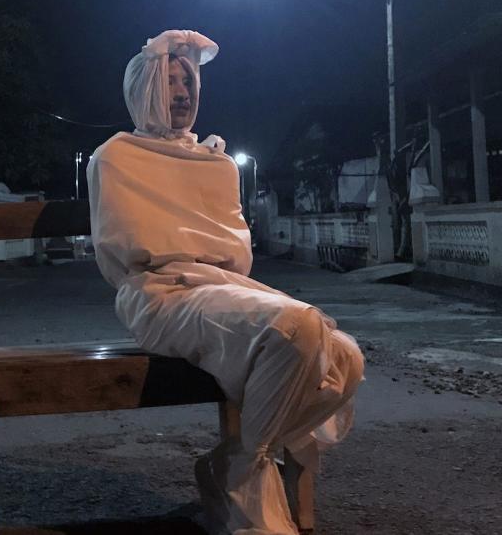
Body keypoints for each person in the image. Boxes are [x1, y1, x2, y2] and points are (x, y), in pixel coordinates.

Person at [87, 30, 364, 535]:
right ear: (141, 88)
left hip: (219, 289)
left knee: (346, 357)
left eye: (188, 80)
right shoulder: (115, 158)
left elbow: (236, 254)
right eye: (168, 80)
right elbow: (124, 253)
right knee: (295, 328)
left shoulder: (216, 163)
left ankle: (231, 462)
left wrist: (208, 263)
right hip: (159, 294)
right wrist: (192, 259)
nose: (182, 91)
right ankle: (246, 477)